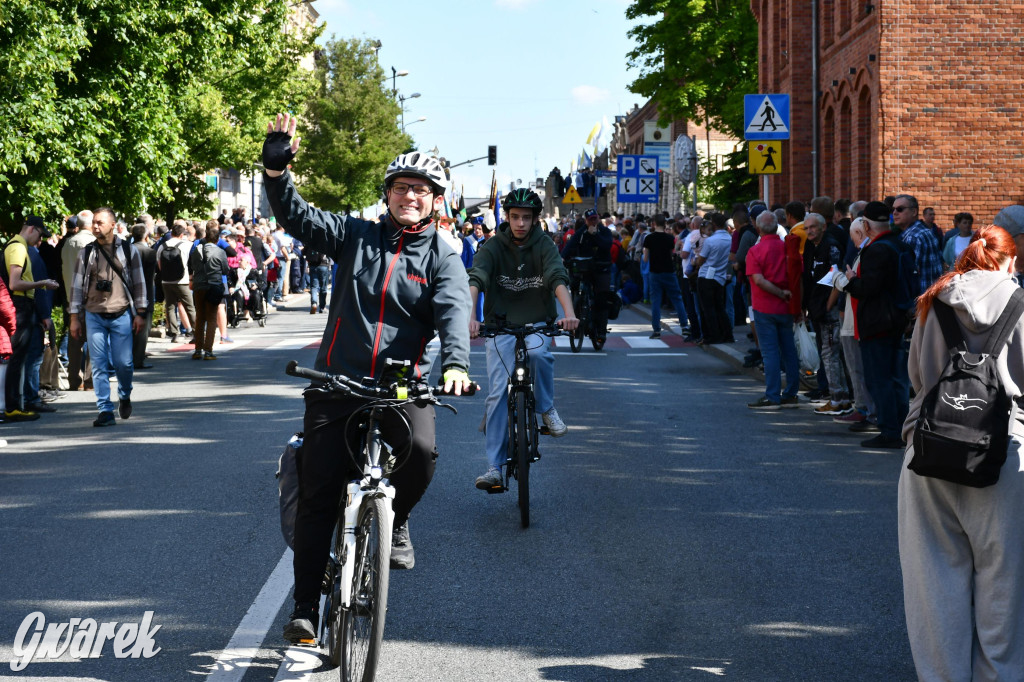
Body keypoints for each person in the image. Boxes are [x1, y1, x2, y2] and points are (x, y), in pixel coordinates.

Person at [261, 113, 472, 644]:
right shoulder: (356, 236)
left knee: (420, 454)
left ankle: (394, 520)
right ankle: (306, 606)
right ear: (388, 194)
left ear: (435, 201)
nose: (410, 197)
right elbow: (298, 216)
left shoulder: (444, 257)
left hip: (404, 385)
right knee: (319, 491)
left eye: (421, 191)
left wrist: (455, 366)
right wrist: (277, 165)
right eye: (402, 188)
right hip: (338, 381)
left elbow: (452, 312)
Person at [898, 224, 1024, 680]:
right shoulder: (1020, 303)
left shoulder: (933, 302)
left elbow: (917, 376)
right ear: (1010, 261)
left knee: (934, 581)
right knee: (1004, 585)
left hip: (929, 449)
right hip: (1004, 454)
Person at [467, 189, 578, 490]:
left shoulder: (544, 245)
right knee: (497, 394)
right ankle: (494, 468)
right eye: (515, 217)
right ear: (506, 217)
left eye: (526, 218)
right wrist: (470, 317)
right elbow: (476, 278)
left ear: (534, 219)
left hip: (537, 322)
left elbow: (557, 277)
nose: (520, 223)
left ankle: (546, 407)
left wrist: (568, 314)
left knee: (540, 356)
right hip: (499, 326)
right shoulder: (492, 246)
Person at [842, 201, 914, 449]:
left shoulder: (876, 250)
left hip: (877, 322)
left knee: (878, 378)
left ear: (865, 224)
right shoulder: (900, 244)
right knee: (896, 378)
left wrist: (850, 280)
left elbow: (867, 289)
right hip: (897, 319)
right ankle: (901, 427)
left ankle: (890, 431)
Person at [68, 207, 147, 427]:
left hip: (121, 314)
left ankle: (124, 394)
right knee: (99, 365)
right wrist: (75, 317)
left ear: (113, 224)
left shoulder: (129, 251)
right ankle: (105, 410)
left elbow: (140, 284)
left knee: (124, 363)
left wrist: (140, 313)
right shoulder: (86, 252)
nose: (95, 226)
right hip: (94, 315)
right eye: (93, 222)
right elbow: (75, 287)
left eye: (100, 222)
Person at [4, 217, 59, 421]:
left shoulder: (15, 246)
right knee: (17, 359)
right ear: (32, 229)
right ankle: (13, 407)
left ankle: (16, 404)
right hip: (20, 305)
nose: (39, 241)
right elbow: (15, 283)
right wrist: (41, 283)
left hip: (21, 305)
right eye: (39, 235)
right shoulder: (18, 248)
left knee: (18, 358)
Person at [745, 210, 800, 409]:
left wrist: (778, 292)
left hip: (765, 307)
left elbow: (758, 280)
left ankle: (772, 396)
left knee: (770, 353)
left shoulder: (755, 251)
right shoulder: (786, 247)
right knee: (789, 350)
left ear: (758, 228)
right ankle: (792, 393)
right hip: (786, 307)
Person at [802, 212, 851, 415]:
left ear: (822, 226)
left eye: (812, 227)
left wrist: (829, 307)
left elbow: (837, 281)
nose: (809, 231)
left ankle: (839, 399)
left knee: (830, 354)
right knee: (830, 354)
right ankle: (840, 397)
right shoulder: (810, 247)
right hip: (816, 310)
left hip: (828, 312)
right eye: (806, 228)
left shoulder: (831, 247)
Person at [561, 207, 613, 342]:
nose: (593, 222)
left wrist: (595, 234)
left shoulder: (605, 231)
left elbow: (606, 245)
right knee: (578, 295)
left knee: (601, 299)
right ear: (586, 221)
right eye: (590, 220)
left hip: (602, 269)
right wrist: (561, 258)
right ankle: (577, 328)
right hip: (586, 268)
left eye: (595, 219)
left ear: (598, 218)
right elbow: (570, 244)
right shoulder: (582, 232)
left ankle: (601, 331)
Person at [61, 211, 95, 390]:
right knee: (94, 340)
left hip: (70, 297)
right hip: (90, 299)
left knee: (74, 342)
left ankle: (74, 380)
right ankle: (90, 381)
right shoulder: (92, 243)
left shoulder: (68, 243)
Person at [188, 220, 229, 360]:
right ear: (217, 239)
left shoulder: (197, 249)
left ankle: (197, 350)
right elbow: (225, 269)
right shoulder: (220, 252)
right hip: (213, 286)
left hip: (199, 286)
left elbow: (191, 266)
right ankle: (208, 351)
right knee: (211, 318)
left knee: (200, 317)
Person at [644, 214, 688, 339]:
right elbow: (672, 254)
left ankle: (657, 330)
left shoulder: (649, 238)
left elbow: (646, 259)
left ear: (653, 224)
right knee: (677, 299)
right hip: (669, 271)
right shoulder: (669, 238)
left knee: (656, 302)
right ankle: (684, 326)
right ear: (665, 224)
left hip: (655, 273)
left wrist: (644, 253)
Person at [693, 212, 733, 344]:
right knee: (720, 307)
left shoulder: (710, 240)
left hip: (706, 276)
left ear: (714, 224)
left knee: (707, 308)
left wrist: (695, 261)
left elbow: (701, 260)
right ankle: (727, 334)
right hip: (720, 276)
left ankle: (712, 335)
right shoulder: (729, 238)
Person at [156, 222, 197, 342]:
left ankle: (173, 333)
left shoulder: (162, 245)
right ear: (181, 234)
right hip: (182, 280)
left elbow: (159, 265)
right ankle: (196, 332)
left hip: (166, 281)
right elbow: (192, 263)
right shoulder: (188, 245)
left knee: (170, 306)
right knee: (189, 307)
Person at [130, 224, 156, 369]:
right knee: (143, 329)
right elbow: (151, 274)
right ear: (145, 236)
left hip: (128, 292)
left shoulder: (127, 250)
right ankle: (138, 359)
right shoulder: (149, 252)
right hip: (146, 291)